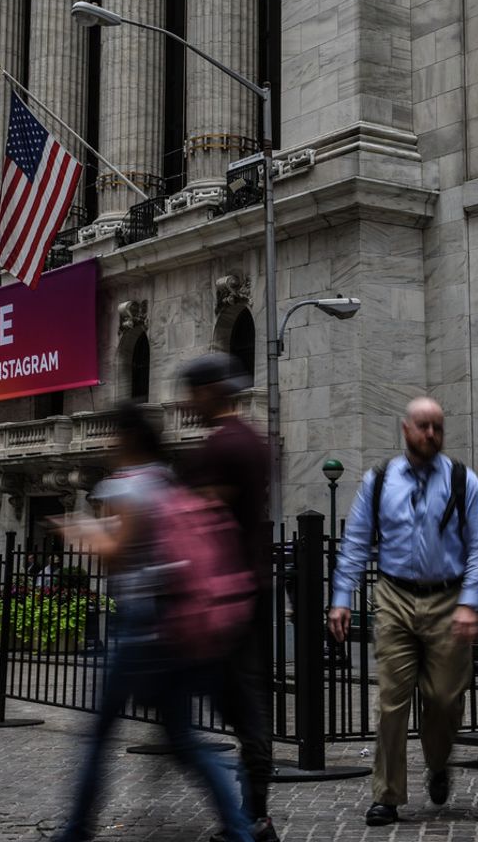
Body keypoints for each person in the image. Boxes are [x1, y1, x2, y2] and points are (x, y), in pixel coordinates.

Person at [53, 403, 252, 842]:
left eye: (113, 436)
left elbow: (117, 556)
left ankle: (76, 829)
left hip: (141, 626)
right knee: (183, 741)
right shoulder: (166, 480)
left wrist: (79, 532)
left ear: (126, 439)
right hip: (175, 622)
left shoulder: (128, 487)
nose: (107, 443)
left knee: (100, 732)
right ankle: (240, 829)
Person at [328, 397, 478, 827]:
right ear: (406, 429)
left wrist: (470, 604)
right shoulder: (379, 481)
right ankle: (387, 795)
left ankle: (437, 763)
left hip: (448, 599)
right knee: (392, 701)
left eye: (438, 426)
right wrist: (342, 596)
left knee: (443, 699)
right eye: (423, 426)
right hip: (394, 596)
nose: (431, 435)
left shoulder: (462, 480)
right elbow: (356, 542)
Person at [177, 353, 276, 842]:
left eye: (192, 392)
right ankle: (253, 811)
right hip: (250, 587)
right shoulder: (252, 441)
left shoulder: (221, 449)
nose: (186, 402)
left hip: (225, 594)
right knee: (243, 703)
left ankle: (253, 815)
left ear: (211, 392)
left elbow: (195, 517)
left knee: (241, 706)